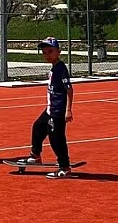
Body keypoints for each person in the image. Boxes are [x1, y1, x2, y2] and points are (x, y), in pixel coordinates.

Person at [18, 37, 75, 178]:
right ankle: (35, 155)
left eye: (50, 51)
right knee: (37, 127)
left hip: (58, 112)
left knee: (56, 139)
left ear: (58, 51)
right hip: (49, 109)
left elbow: (69, 89)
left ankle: (64, 167)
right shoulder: (54, 68)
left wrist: (68, 110)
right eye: (44, 52)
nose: (47, 55)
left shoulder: (61, 69)